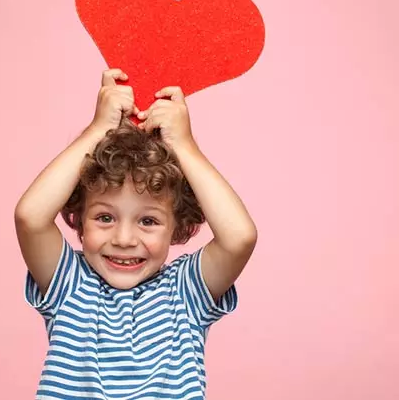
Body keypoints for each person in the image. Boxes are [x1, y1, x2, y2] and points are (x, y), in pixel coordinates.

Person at [14, 68, 258, 399]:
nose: (125, 239)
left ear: (177, 224)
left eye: (148, 221)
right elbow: (30, 217)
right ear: (80, 218)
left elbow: (239, 237)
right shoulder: (69, 284)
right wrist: (96, 130)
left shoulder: (184, 293)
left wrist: (183, 145)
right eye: (104, 217)